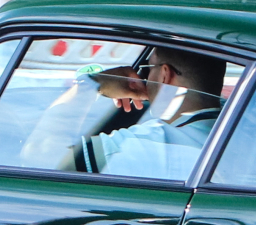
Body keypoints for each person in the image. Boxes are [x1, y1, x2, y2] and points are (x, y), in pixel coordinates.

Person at [85, 48, 227, 178]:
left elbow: (63, 153)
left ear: (165, 75)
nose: (144, 80)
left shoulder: (145, 145)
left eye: (148, 69)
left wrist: (94, 83)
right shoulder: (241, 124)